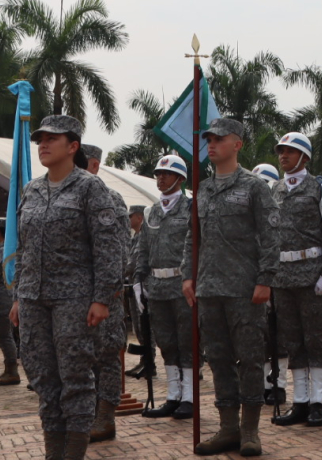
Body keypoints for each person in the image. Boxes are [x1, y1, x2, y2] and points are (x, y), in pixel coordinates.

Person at [10, 115, 124, 460]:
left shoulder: (90, 188)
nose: (43, 144)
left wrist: (103, 298)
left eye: (52, 139)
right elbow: (25, 249)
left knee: (75, 379)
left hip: (74, 301)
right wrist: (18, 296)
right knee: (44, 380)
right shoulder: (32, 190)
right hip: (33, 299)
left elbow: (109, 247)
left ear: (72, 146)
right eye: (40, 139)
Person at [182, 118, 279, 457]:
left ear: (237, 144)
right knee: (219, 359)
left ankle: (250, 429)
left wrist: (266, 278)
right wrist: (188, 275)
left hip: (244, 287)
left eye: (219, 139)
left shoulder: (254, 186)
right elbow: (193, 237)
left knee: (250, 358)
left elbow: (270, 235)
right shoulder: (203, 189)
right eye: (208, 139)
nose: (211, 144)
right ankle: (227, 428)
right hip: (209, 287)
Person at [269, 132, 322, 428]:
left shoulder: (320, 187)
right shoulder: (275, 189)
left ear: (305, 157)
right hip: (283, 278)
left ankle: (318, 403)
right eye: (281, 151)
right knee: (292, 342)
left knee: (316, 341)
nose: (283, 155)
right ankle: (299, 402)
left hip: (312, 275)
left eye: (290, 151)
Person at [136, 154, 196, 420]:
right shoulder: (151, 211)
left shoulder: (191, 208)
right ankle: (172, 395)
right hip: (157, 286)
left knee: (188, 341)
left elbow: (197, 247)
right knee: (166, 343)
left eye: (167, 174)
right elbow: (143, 249)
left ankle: (190, 397)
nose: (161, 178)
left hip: (183, 284)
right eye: (158, 174)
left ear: (180, 178)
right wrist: (139, 280)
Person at [81, 143, 132, 444]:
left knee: (107, 354)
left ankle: (105, 416)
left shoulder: (111, 199)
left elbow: (121, 249)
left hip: (105, 293)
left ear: (95, 165)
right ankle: (85, 412)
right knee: (80, 356)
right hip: (73, 294)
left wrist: (104, 289)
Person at [0, 218, 21, 386]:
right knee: (5, 335)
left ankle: (11, 370)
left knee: (3, 335)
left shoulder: (3, 250)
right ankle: (10, 369)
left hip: (1, 297)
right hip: (6, 296)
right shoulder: (7, 247)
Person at [126, 205, 158, 381]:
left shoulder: (145, 237)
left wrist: (119, 272)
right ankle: (143, 360)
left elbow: (135, 263)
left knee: (146, 326)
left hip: (144, 286)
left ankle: (149, 363)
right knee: (138, 326)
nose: (128, 220)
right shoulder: (135, 238)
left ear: (139, 217)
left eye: (130, 216)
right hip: (134, 285)